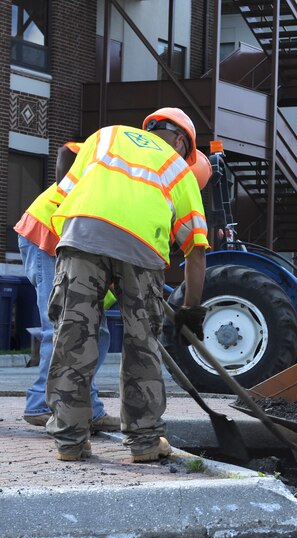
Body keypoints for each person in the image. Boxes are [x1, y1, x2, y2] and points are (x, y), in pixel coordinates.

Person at [45, 107, 209, 462]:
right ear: (181, 142)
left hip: (81, 236)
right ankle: (145, 443)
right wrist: (190, 308)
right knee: (141, 344)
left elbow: (63, 191)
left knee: (73, 337)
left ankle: (70, 443)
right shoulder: (178, 167)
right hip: (141, 249)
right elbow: (196, 251)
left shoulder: (106, 135)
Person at [14, 142, 120, 432]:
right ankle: (42, 403)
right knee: (60, 326)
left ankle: (89, 407)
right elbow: (67, 151)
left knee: (98, 335)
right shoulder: (122, 153)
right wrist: (68, 198)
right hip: (49, 235)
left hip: (80, 249)